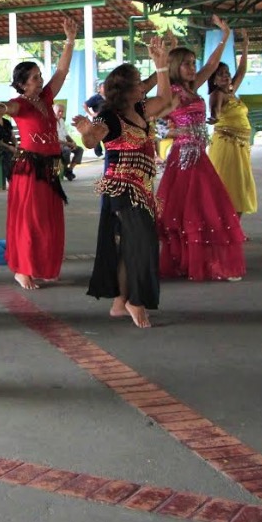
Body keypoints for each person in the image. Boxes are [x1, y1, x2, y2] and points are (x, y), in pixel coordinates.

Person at [73, 37, 175, 328]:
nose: (143, 86)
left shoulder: (140, 109)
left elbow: (166, 100)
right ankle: (135, 300)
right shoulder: (111, 116)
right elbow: (94, 138)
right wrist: (85, 131)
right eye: (138, 83)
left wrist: (162, 65)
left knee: (131, 243)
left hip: (144, 188)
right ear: (126, 90)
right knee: (143, 242)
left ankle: (120, 303)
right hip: (122, 189)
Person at [0, 17, 78, 290]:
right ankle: (22, 269)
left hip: (51, 167)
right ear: (22, 84)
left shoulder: (45, 98)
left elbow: (63, 70)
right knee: (29, 220)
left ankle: (42, 265)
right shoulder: (20, 104)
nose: (41, 79)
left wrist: (69, 40)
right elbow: (4, 108)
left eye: (40, 75)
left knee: (49, 219)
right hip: (30, 169)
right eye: (35, 77)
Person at [154, 15, 246, 282]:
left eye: (193, 63)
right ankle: (188, 261)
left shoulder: (192, 88)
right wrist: (177, 131)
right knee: (192, 209)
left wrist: (225, 36)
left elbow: (212, 64)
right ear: (175, 67)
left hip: (199, 155)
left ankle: (203, 261)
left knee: (207, 207)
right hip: (183, 157)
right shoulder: (172, 92)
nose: (193, 68)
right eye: (186, 64)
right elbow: (157, 123)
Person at [207, 29, 257, 225]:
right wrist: (213, 118)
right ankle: (226, 226)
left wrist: (244, 47)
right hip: (227, 145)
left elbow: (242, 70)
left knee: (241, 185)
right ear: (214, 79)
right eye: (220, 74)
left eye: (227, 73)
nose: (226, 76)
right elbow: (215, 112)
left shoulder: (232, 91)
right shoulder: (217, 95)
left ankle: (234, 226)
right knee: (230, 186)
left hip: (241, 146)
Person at [54, 102, 84, 180]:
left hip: (64, 143)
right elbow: (55, 139)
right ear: (54, 111)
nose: (61, 113)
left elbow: (66, 135)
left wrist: (73, 142)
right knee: (66, 150)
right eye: (59, 111)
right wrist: (68, 143)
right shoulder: (51, 122)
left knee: (79, 150)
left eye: (62, 111)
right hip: (56, 144)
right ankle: (65, 169)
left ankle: (69, 170)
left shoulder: (61, 121)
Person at [84, 82, 105, 157]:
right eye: (104, 87)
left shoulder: (109, 97)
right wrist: (91, 114)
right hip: (98, 120)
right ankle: (98, 153)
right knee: (97, 136)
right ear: (99, 89)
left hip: (107, 119)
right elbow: (85, 105)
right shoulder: (95, 98)